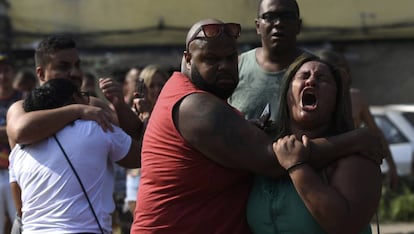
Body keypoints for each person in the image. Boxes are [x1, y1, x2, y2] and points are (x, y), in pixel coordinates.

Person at [130, 18, 383, 233]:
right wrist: (354, 140)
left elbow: (343, 224)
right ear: (187, 59)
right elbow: (274, 161)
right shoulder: (196, 106)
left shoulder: (354, 161)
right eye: (211, 59)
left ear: (339, 95)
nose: (225, 67)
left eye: (231, 57)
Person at [6, 34, 142, 232]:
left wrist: (120, 105)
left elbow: (134, 141)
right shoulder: (21, 108)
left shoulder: (93, 106)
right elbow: (20, 131)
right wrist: (76, 111)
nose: (75, 73)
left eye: (78, 65)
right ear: (41, 74)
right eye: (63, 66)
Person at [247, 54, 382, 233]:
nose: (311, 81)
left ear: (336, 99)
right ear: (287, 92)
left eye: (322, 79)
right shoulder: (264, 144)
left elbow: (343, 225)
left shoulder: (357, 157)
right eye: (303, 76)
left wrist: (297, 167)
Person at [317, 49, 398, 189]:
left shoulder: (356, 98)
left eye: (347, 70)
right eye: (340, 72)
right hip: (322, 170)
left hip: (352, 171)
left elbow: (376, 133)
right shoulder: (315, 100)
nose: (346, 75)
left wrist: (392, 166)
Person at [229, 0, 305, 122]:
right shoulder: (235, 67)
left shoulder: (316, 72)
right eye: (270, 17)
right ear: (258, 26)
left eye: (287, 17)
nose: (279, 23)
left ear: (298, 26)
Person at [126, 64, 169, 216]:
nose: (157, 89)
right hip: (139, 177)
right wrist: (145, 115)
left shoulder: (173, 112)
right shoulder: (133, 114)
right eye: (152, 85)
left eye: (161, 85)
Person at [0, 53, 19, 234]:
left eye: (6, 71)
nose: (2, 76)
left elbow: (25, 132)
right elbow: (18, 130)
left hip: (18, 171)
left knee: (21, 223)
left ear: (13, 73)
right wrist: (12, 130)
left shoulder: (24, 99)